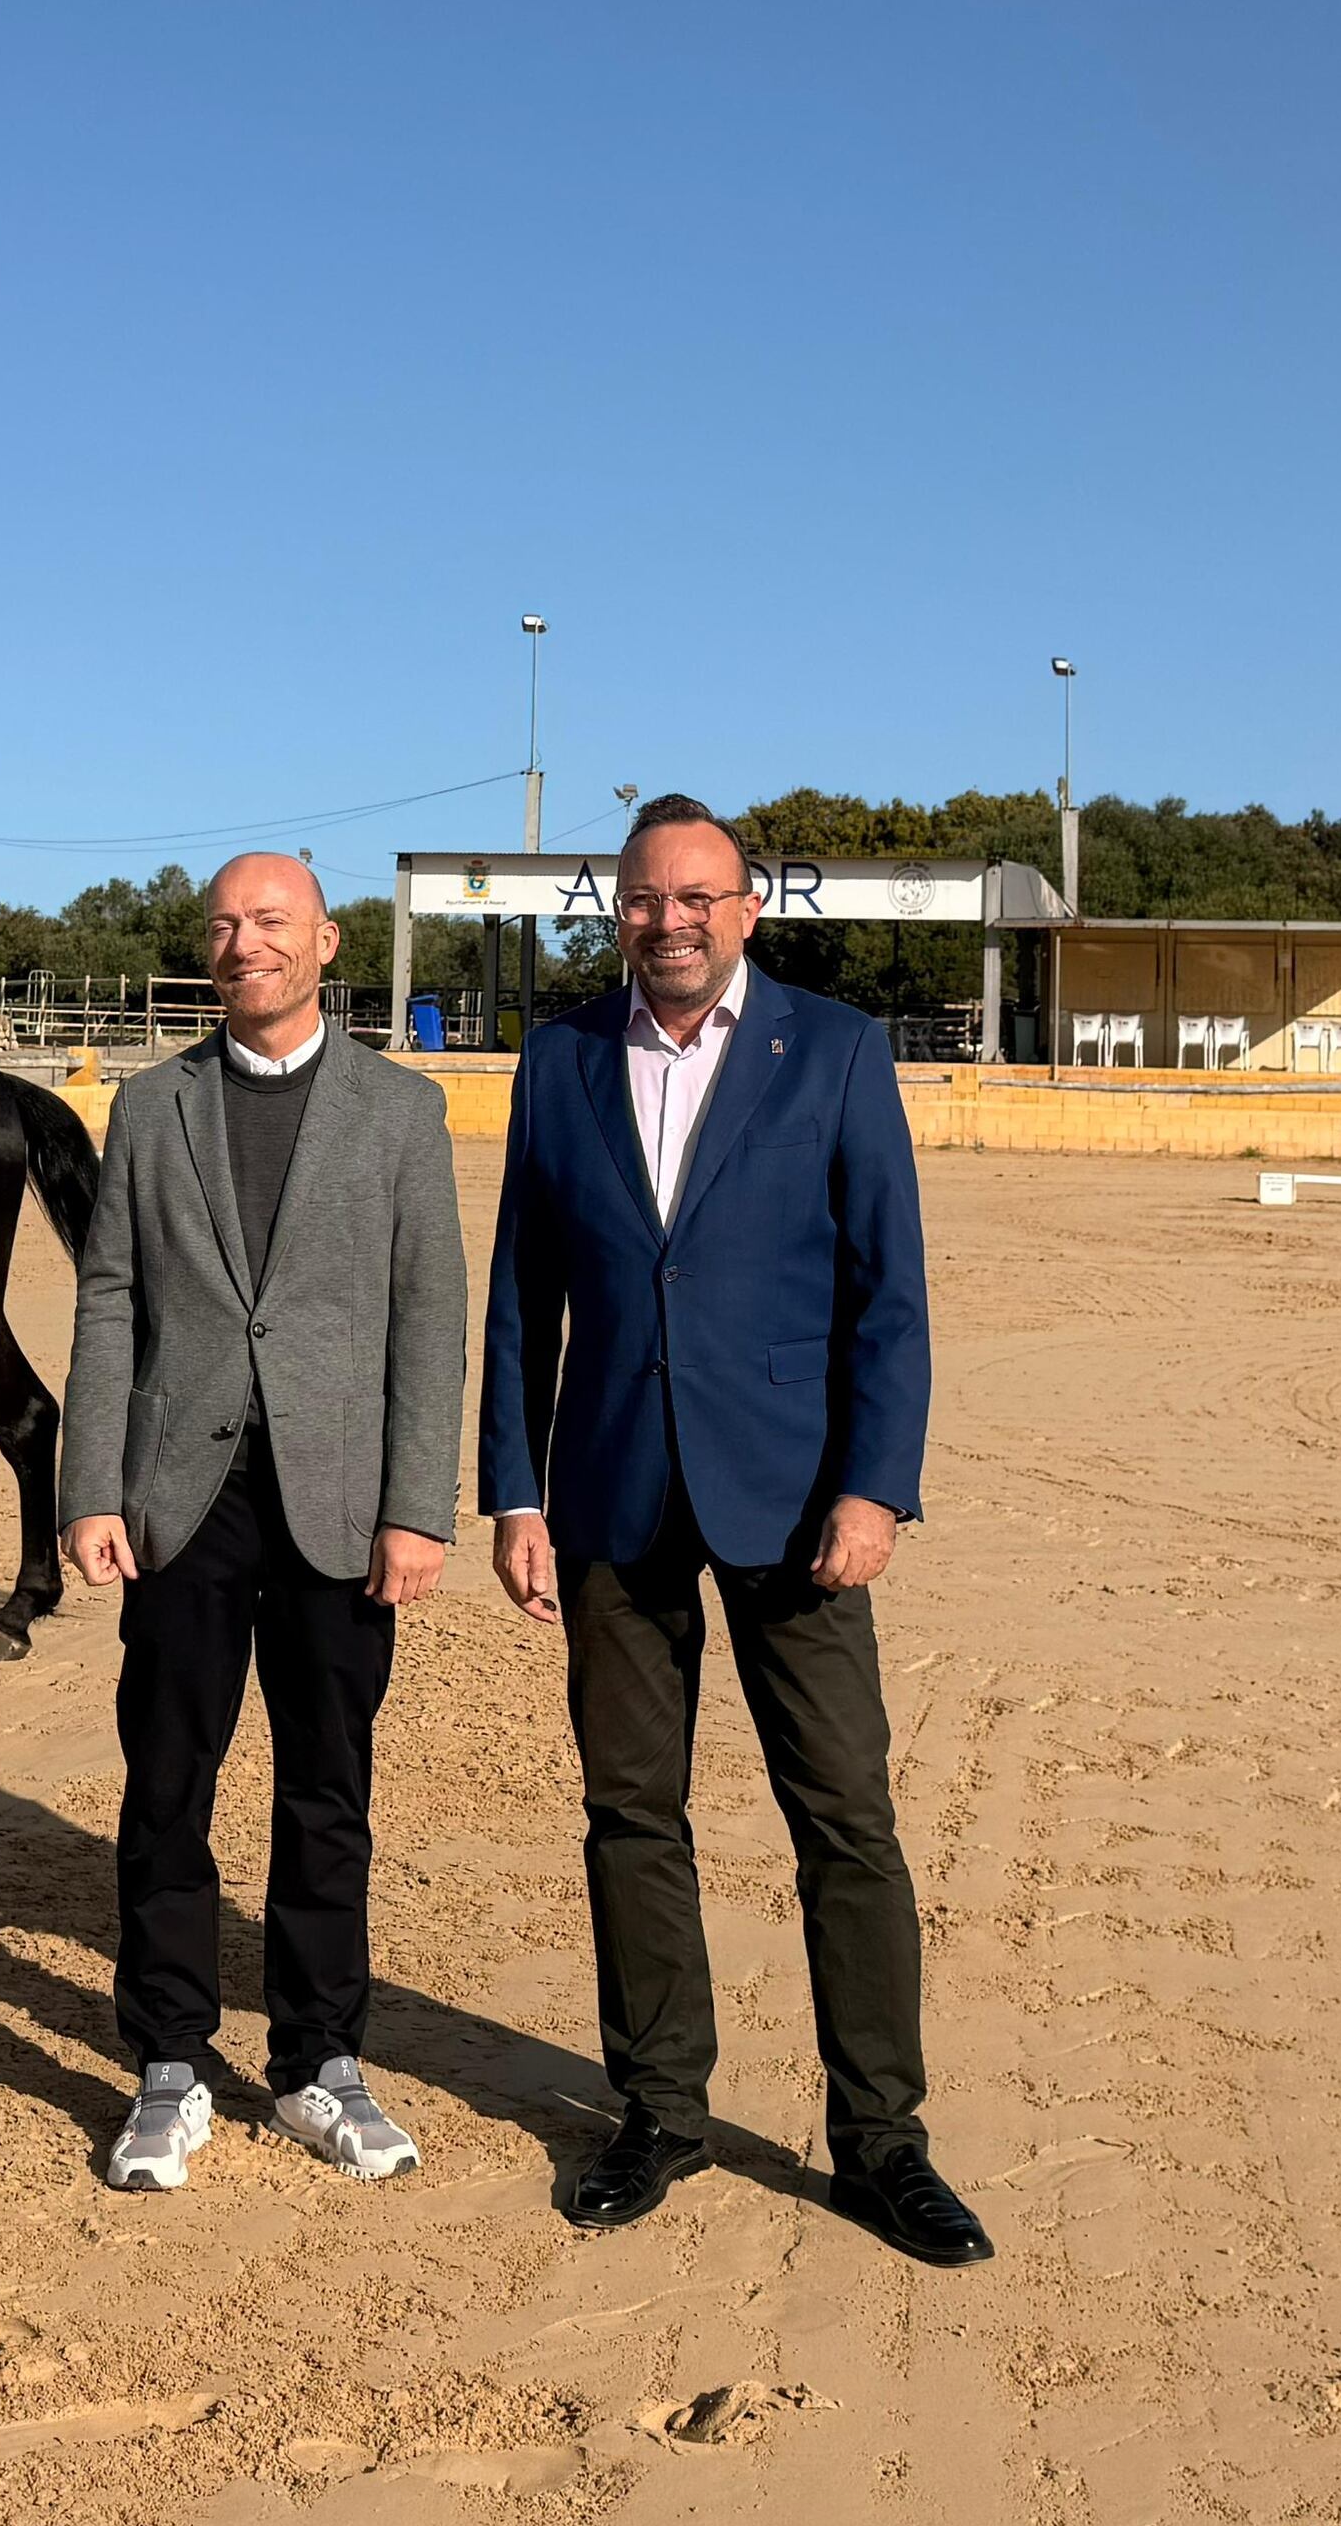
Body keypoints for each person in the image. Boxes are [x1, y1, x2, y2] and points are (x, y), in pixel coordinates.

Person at [480, 796, 991, 2267]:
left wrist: (875, 1485)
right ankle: (658, 2110)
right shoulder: (563, 1057)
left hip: (796, 1501)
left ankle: (884, 2142)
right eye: (646, 898)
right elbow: (527, 1295)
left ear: (747, 909)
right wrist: (517, 1485)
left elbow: (888, 1295)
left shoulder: (833, 1051)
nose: (671, 921)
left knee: (845, 1821)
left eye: (699, 897)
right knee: (632, 1815)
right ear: (617, 909)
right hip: (613, 1491)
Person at [58, 853, 469, 2191]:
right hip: (181, 1498)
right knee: (167, 1781)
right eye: (226, 923)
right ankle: (169, 2061)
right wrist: (91, 1485)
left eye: (271, 921)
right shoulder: (149, 1106)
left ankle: (317, 2061)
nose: (244, 942)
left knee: (326, 1790)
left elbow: (430, 1321)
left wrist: (417, 1507)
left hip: (341, 1504)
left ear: (326, 944)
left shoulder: (403, 1113)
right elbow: (109, 1299)